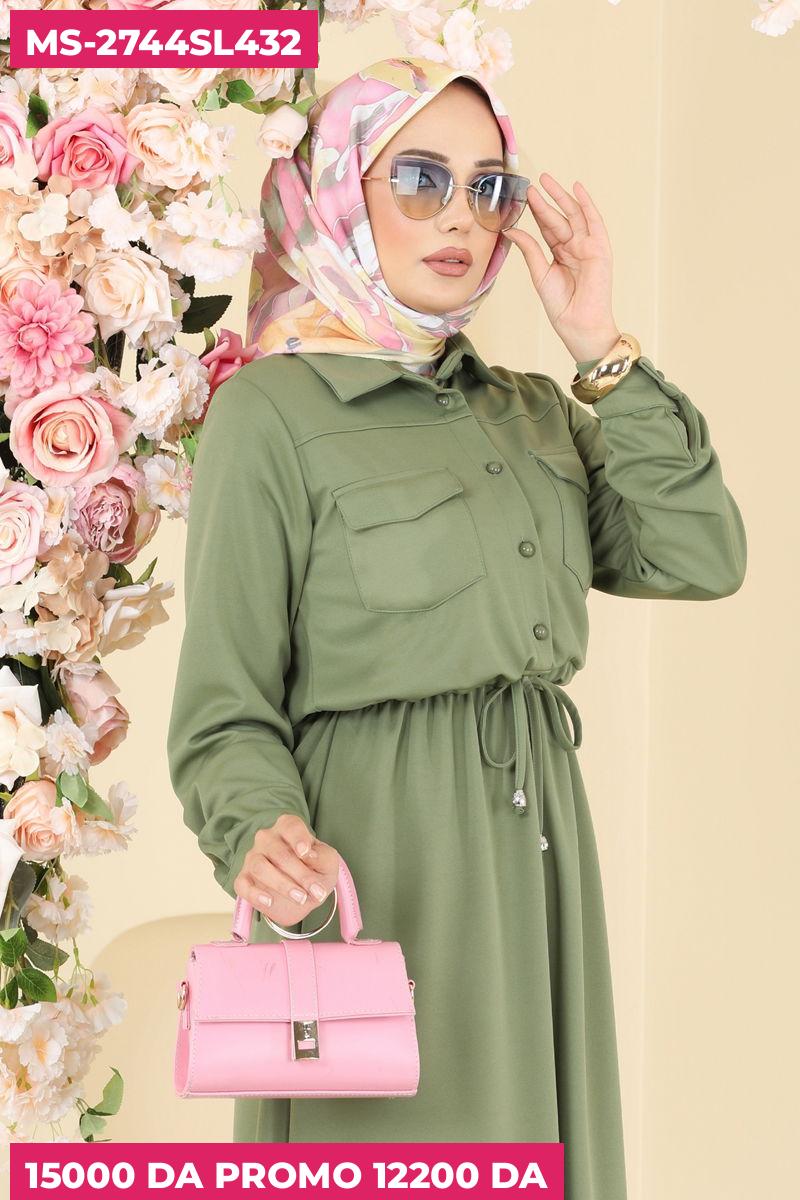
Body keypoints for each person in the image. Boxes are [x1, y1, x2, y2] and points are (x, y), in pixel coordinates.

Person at [166, 55, 747, 1194]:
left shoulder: (532, 413)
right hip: (379, 870)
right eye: (420, 177)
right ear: (341, 189)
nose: (460, 218)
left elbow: (698, 553)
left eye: (489, 187)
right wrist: (259, 834)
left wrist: (598, 343)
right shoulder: (270, 414)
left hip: (535, 859)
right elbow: (223, 707)